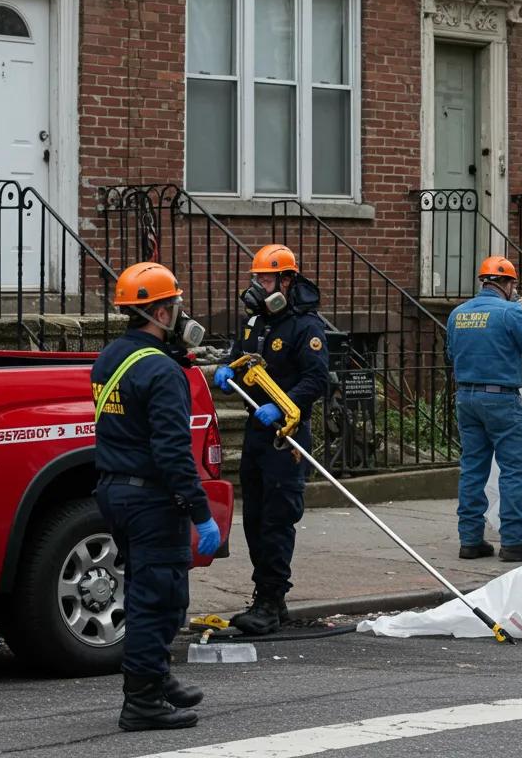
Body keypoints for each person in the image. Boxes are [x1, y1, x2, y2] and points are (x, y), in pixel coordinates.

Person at [93, 262, 220, 732]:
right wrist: (200, 511)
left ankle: (158, 676)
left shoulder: (112, 358)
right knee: (158, 598)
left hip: (114, 491)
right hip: (151, 500)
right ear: (164, 311)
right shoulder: (163, 372)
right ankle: (141, 701)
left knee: (154, 591)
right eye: (176, 306)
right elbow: (172, 451)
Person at [214, 244, 329, 636]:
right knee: (257, 518)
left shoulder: (306, 326)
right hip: (256, 431)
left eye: (266, 279)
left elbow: (316, 380)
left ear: (286, 280)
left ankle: (269, 598)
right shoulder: (254, 324)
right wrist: (224, 373)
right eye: (256, 279)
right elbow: (238, 358)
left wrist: (283, 407)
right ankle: (270, 598)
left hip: (287, 435)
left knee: (278, 519)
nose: (259, 287)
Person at [447, 255, 522, 562]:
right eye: (513, 284)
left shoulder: (457, 314)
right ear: (508, 284)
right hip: (501, 399)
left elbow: (451, 352)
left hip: (466, 397)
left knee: (472, 468)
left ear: (484, 281)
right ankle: (513, 540)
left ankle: (470, 540)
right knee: (512, 468)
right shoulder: (511, 313)